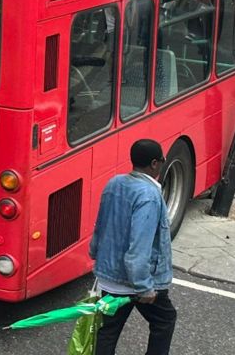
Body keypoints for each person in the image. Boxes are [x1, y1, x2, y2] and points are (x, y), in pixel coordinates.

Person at [89, 139, 176, 355]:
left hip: (108, 277)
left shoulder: (115, 183)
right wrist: (144, 286)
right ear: (155, 163)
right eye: (162, 160)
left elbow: (101, 225)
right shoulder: (148, 196)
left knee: (108, 331)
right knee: (165, 319)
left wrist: (95, 253)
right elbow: (139, 248)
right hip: (133, 282)